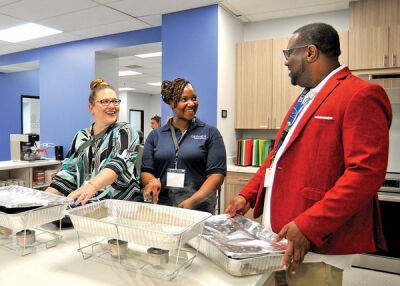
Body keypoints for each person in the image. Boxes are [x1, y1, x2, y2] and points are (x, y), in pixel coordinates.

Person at [225, 23, 392, 285]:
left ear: (311, 53)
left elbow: (365, 175)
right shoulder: (306, 97)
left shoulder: (360, 94)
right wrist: (248, 194)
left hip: (315, 246)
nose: (286, 62)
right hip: (279, 240)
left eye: (289, 53)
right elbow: (277, 157)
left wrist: (308, 225)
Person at [46, 78, 141, 205]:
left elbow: (118, 164)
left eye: (115, 101)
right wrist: (43, 198)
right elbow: (68, 172)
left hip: (120, 207)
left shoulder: (125, 131)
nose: (112, 106)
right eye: (105, 102)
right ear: (92, 108)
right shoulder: (81, 136)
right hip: (87, 206)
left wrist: (91, 186)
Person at [141, 78, 226, 213]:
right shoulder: (155, 136)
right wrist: (152, 181)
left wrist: (193, 201)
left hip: (198, 209)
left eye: (194, 98)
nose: (191, 103)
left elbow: (216, 175)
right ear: (171, 103)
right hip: (163, 208)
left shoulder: (210, 133)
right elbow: (146, 171)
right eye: (184, 99)